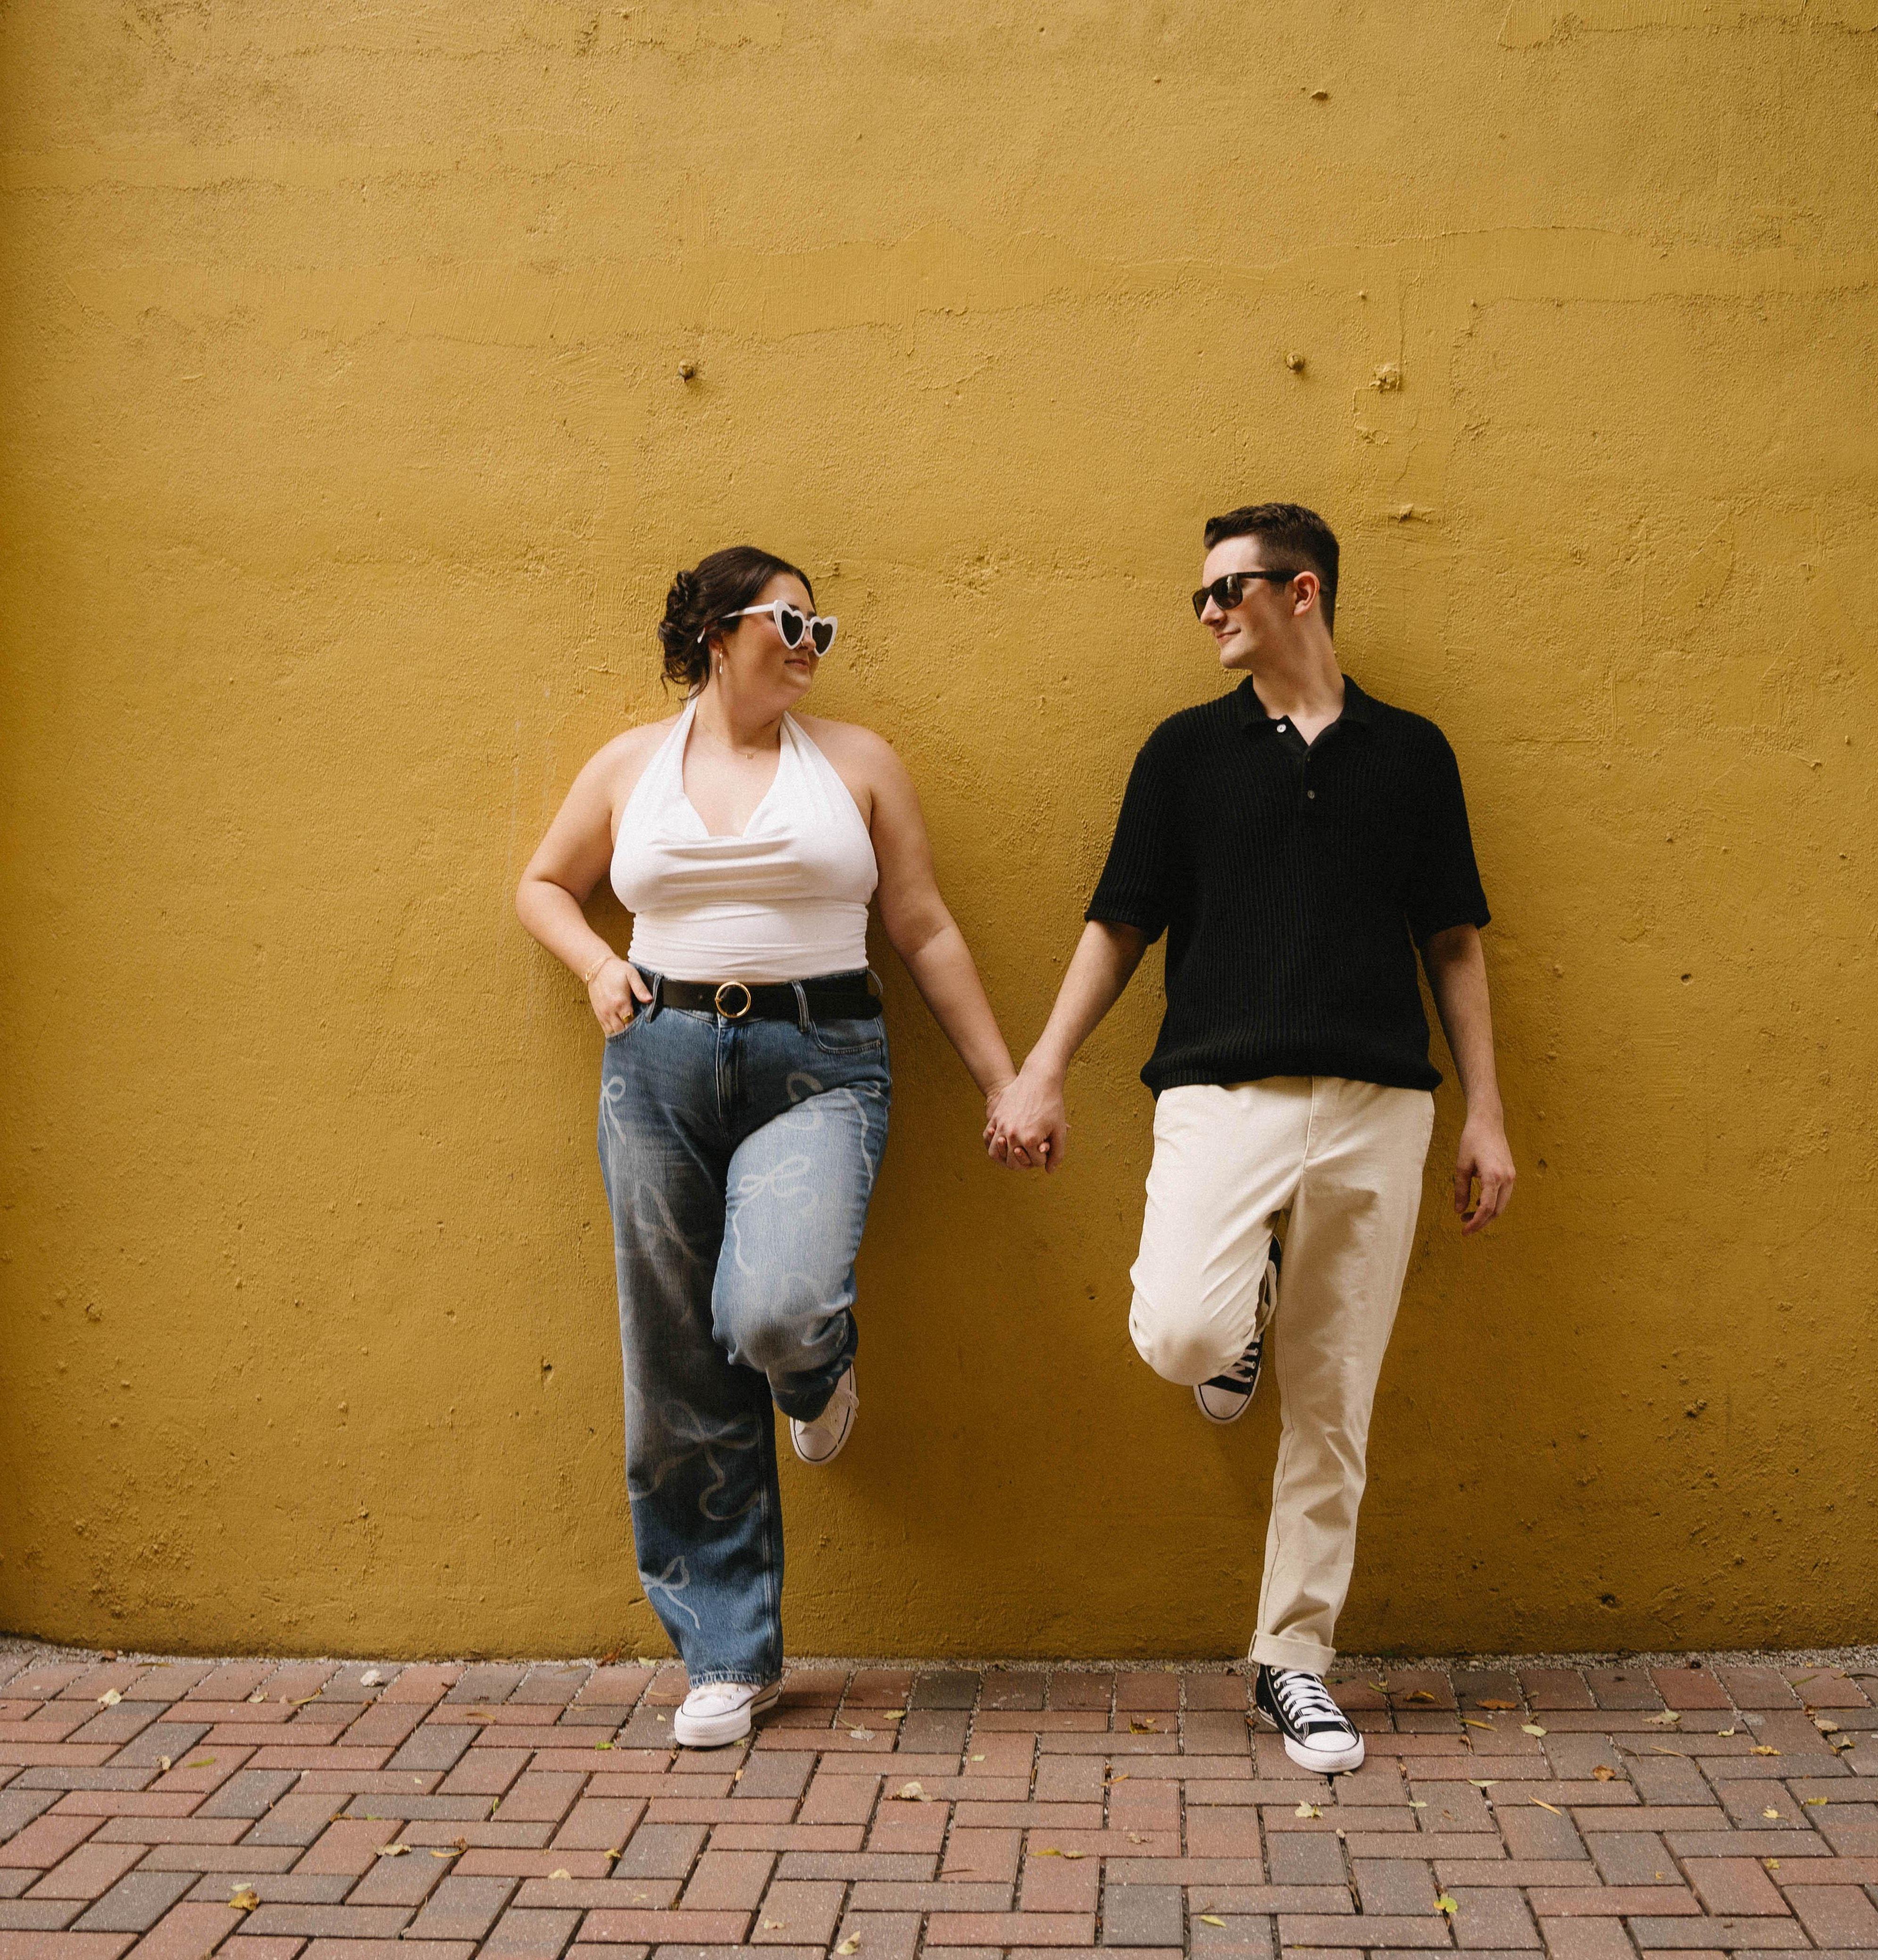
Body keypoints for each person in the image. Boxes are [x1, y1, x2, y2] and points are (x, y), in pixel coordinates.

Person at [986, 502, 1514, 1774]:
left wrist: (1484, 1110)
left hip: (1380, 1104)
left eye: (1229, 590)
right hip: (1220, 1096)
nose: (1211, 612)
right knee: (1181, 1331)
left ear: (1303, 591)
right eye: (1203, 596)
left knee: (1332, 1401)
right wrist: (1042, 1070)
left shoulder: (1411, 753)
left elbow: (1451, 937)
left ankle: (1294, 1659)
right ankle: (1245, 1308)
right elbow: (1119, 922)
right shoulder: (1184, 754)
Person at [516, 545, 1015, 1748]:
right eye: (789, 622)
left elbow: (923, 926)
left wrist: (1005, 1081)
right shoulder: (630, 766)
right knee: (675, 1363)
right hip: (658, 1063)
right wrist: (596, 965)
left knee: (775, 1311)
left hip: (819, 1059)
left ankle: (814, 1367)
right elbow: (542, 885)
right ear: (715, 631)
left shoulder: (857, 764)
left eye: (819, 628)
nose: (809, 644)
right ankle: (727, 1657)